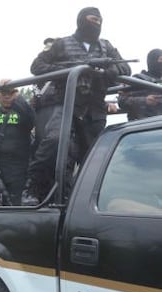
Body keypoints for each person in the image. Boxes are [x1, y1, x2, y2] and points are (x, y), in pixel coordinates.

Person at [22, 7, 131, 206]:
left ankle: (83, 200)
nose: (97, 23)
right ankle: (32, 188)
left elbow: (126, 67)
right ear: (81, 20)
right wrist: (71, 69)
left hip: (95, 109)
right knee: (54, 142)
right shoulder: (61, 44)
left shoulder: (106, 46)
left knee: (94, 155)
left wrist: (111, 70)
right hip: (67, 103)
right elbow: (37, 66)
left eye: (100, 20)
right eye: (92, 19)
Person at [118, 48, 162, 120]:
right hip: (141, 125)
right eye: (160, 60)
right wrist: (145, 100)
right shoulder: (137, 79)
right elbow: (122, 101)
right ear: (153, 60)